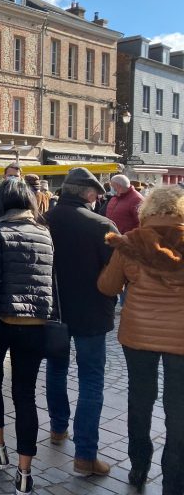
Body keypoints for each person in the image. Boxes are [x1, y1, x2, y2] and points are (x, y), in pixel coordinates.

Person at [98, 186, 184, 495]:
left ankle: (139, 467)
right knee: (179, 409)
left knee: (140, 400)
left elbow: (108, 287)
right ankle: (175, 481)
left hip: (137, 335)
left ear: (146, 211)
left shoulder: (130, 243)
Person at [0, 178, 53, 495]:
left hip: (0, 321)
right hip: (36, 324)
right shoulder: (44, 232)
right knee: (25, 395)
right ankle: (24, 473)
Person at [44, 167, 118, 477]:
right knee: (91, 380)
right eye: (96, 194)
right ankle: (85, 455)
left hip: (54, 310)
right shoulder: (102, 225)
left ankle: (59, 428)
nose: (98, 198)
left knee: (56, 369)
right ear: (88, 194)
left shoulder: (42, 221)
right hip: (91, 312)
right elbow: (115, 276)